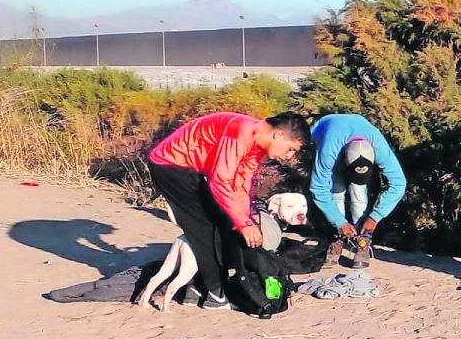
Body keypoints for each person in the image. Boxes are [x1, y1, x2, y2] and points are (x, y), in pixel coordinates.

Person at [147, 111, 310, 309]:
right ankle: (214, 292)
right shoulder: (240, 131)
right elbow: (221, 181)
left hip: (190, 169)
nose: (289, 156)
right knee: (206, 226)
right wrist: (243, 223)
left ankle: (196, 288)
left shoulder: (257, 145)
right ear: (278, 135)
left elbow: (240, 185)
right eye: (291, 149)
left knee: (223, 222)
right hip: (169, 164)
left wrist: (245, 221)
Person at [309, 113, 407, 268]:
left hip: (354, 133)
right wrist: (339, 221)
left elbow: (399, 183)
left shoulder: (379, 145)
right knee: (336, 188)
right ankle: (337, 237)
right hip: (325, 134)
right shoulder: (329, 150)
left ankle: (363, 240)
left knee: (358, 189)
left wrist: (376, 216)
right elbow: (318, 187)